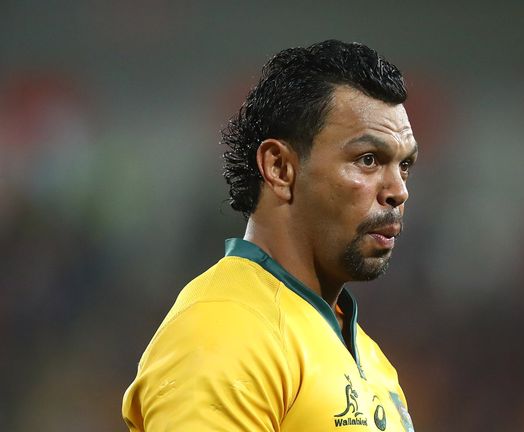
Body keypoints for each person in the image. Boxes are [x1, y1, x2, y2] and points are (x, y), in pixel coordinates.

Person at [122, 40, 418, 431]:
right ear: (279, 168)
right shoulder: (224, 331)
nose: (398, 190)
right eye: (368, 160)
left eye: (405, 165)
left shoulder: (370, 358)